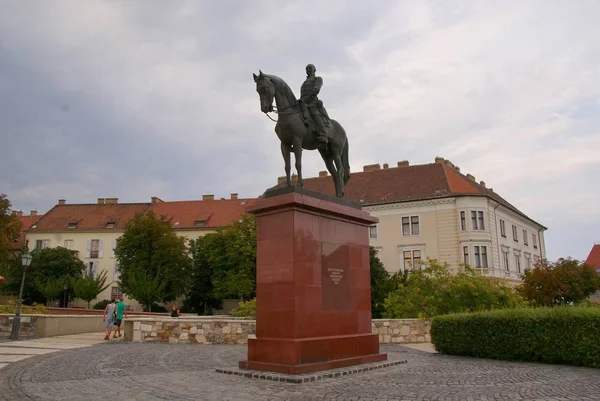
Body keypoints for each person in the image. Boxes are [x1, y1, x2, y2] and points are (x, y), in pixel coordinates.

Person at [299, 63, 331, 145]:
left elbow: (316, 90)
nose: (308, 69)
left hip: (312, 102)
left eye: (310, 68)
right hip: (303, 102)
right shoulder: (304, 82)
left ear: (314, 70)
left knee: (314, 113)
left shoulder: (318, 79)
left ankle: (323, 134)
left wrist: (305, 99)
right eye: (306, 68)